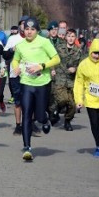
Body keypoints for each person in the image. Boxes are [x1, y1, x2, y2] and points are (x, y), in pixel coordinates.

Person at [11, 17, 60, 161]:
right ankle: (27, 148)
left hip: (42, 83)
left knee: (39, 116)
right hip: (26, 83)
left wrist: (41, 66)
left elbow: (56, 59)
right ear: (23, 30)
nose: (29, 32)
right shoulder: (20, 45)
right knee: (27, 114)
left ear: (37, 30)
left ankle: (45, 120)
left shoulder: (44, 42)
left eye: (32, 29)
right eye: (26, 29)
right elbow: (15, 59)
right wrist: (15, 67)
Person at [50, 28, 84, 131]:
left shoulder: (78, 50)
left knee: (72, 105)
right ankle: (55, 111)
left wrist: (76, 69)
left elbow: (82, 65)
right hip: (59, 78)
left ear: (75, 38)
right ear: (65, 37)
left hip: (71, 81)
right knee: (62, 99)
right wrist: (52, 69)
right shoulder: (59, 48)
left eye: (73, 36)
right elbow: (52, 59)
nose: (70, 38)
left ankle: (67, 121)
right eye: (69, 36)